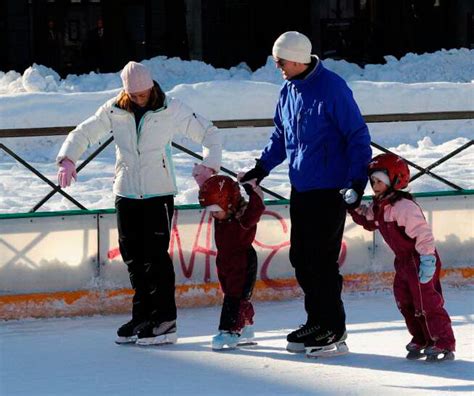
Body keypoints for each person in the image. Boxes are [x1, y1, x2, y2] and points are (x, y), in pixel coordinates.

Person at [56, 61, 221, 346]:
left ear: (151, 86)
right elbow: (84, 132)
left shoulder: (171, 108)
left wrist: (210, 166)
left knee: (155, 257)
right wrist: (68, 157)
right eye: (134, 94)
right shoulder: (114, 109)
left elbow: (210, 133)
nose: (139, 98)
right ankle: (143, 316)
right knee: (133, 257)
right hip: (126, 193)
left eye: (143, 93)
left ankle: (165, 320)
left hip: (159, 193)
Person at [239, 31, 372, 357]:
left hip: (331, 189)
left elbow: (357, 135)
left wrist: (356, 183)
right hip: (302, 188)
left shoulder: (332, 89)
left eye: (281, 61)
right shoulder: (288, 91)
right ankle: (318, 320)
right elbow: (282, 136)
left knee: (321, 260)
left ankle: (332, 325)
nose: (278, 66)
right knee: (301, 258)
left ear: (297, 58)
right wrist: (261, 168)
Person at [345, 153, 456, 362]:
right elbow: (370, 221)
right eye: (373, 181)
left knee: (427, 302)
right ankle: (421, 338)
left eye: (379, 181)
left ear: (395, 180)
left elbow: (423, 234)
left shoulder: (404, 207)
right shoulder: (380, 205)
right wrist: (352, 206)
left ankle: (443, 341)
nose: (374, 185)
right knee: (405, 301)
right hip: (403, 262)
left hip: (420, 259)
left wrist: (428, 259)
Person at [197, 175, 265, 350]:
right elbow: (215, 192)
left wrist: (252, 189)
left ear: (229, 203)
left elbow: (256, 208)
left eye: (216, 210)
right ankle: (246, 325)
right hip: (225, 261)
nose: (213, 214)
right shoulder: (222, 216)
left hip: (242, 262)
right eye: (210, 210)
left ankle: (229, 331)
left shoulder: (244, 218)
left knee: (234, 298)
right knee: (232, 295)